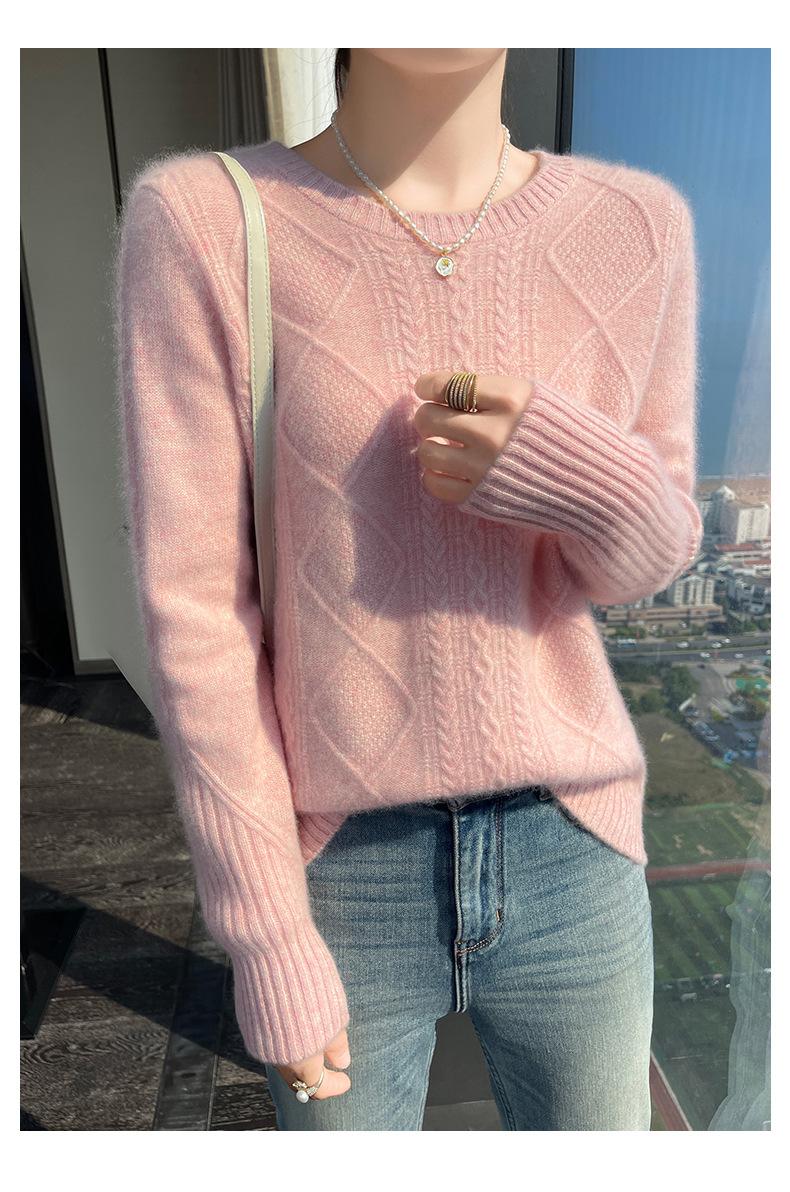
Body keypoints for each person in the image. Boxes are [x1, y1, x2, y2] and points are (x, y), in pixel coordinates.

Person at [115, 48, 702, 1130]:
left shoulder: (638, 225)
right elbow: (195, 615)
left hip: (575, 849)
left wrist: (566, 466)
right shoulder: (204, 218)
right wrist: (265, 931)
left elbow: (644, 566)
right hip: (339, 871)